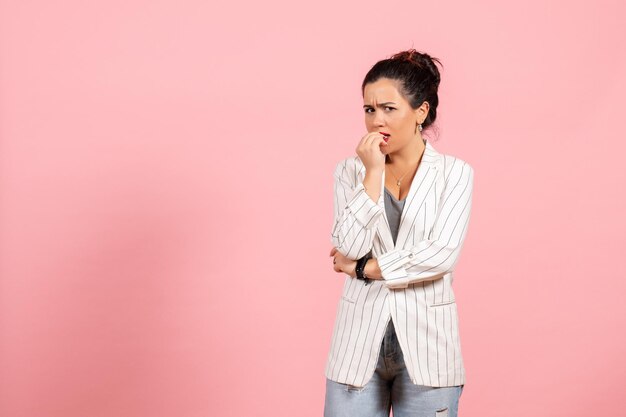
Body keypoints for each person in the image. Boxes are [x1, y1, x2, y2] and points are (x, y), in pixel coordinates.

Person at [324, 49, 474, 417]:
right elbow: (349, 244)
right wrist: (372, 174)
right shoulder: (350, 171)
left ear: (420, 112)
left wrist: (363, 269)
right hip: (357, 343)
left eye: (389, 108)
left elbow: (440, 255)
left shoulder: (454, 174)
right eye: (369, 109)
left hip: (428, 346)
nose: (376, 121)